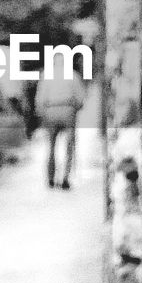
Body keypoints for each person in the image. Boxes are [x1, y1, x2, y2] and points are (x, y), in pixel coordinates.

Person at [38, 54, 87, 190]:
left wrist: (43, 114)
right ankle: (65, 177)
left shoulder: (46, 76)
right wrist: (76, 108)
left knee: (51, 147)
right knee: (69, 146)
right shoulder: (73, 75)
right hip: (67, 110)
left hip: (51, 110)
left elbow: (40, 99)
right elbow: (81, 98)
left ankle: (50, 177)